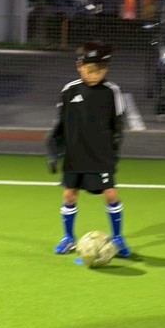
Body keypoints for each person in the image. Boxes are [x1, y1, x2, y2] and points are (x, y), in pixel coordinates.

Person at [46, 40, 131, 258]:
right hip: (75, 155)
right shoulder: (69, 90)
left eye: (100, 71)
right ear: (80, 67)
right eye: (91, 70)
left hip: (101, 155)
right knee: (69, 195)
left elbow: (118, 124)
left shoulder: (112, 91)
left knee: (111, 194)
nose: (95, 75)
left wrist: (114, 151)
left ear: (106, 70)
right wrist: (54, 148)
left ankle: (118, 237)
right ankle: (68, 238)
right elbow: (60, 124)